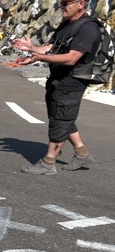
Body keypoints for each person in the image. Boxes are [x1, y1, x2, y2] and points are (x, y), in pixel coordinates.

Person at [13, 0, 97, 175]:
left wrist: (39, 58)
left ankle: (48, 163)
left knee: (60, 120)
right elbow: (51, 48)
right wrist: (32, 48)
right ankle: (82, 153)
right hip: (58, 79)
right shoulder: (67, 24)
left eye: (66, 3)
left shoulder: (88, 28)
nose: (61, 6)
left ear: (81, 4)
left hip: (72, 82)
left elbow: (72, 58)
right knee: (60, 116)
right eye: (60, 2)